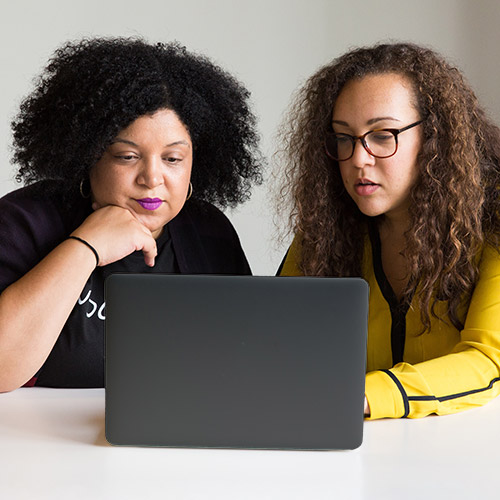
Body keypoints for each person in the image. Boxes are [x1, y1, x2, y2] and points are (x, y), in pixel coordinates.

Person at [0, 38, 263, 392]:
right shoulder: (24, 222)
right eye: (127, 156)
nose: (152, 178)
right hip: (43, 442)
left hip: (177, 441)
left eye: (172, 159)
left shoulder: (209, 233)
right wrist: (85, 246)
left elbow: (248, 361)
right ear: (88, 154)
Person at [277, 42, 500, 419]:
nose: (358, 158)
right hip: (348, 453)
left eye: (382, 135)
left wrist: (363, 396)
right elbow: (276, 337)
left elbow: (488, 360)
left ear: (434, 139)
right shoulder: (326, 227)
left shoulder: (491, 223)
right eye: (344, 138)